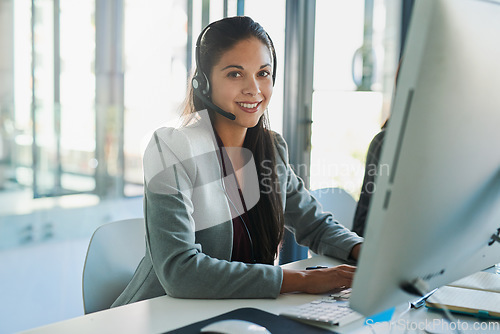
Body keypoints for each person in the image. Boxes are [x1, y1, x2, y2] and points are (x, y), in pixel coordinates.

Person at [112, 16, 363, 306]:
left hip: (241, 309)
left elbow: (315, 225)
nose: (254, 89)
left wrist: (369, 254)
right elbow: (179, 270)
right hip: (161, 316)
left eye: (263, 73)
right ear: (203, 83)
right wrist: (303, 280)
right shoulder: (171, 147)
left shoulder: (272, 149)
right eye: (235, 74)